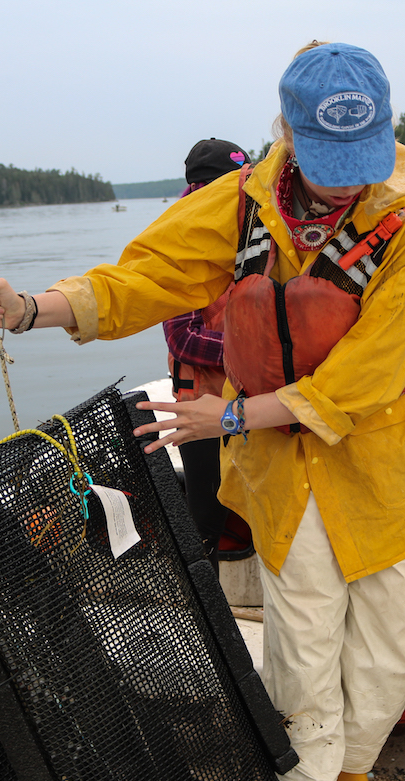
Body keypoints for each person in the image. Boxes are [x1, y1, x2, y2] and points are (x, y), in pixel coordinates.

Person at [0, 42, 405, 781]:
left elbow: (371, 372)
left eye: (357, 159)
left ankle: (353, 776)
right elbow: (140, 278)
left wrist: (226, 418)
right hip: (288, 474)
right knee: (303, 648)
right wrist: (27, 309)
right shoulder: (238, 204)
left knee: (391, 646)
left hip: (391, 459)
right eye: (327, 158)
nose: (344, 179)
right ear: (287, 131)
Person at [162, 138, 254, 566]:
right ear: (202, 191)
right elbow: (183, 338)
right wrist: (260, 355)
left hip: (260, 404)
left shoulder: (258, 231)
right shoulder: (177, 242)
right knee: (203, 524)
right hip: (201, 409)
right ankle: (207, 625)